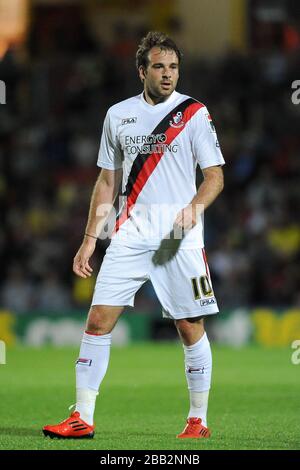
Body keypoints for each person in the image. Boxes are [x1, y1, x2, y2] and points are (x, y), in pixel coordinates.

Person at [43, 31, 225, 440]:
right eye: (159, 67)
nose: (167, 75)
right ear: (141, 70)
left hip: (181, 239)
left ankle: (198, 420)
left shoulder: (194, 113)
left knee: (189, 325)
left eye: (174, 67)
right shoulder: (118, 115)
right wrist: (91, 238)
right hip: (129, 233)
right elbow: (108, 181)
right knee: (96, 321)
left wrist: (193, 209)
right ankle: (82, 418)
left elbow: (215, 177)